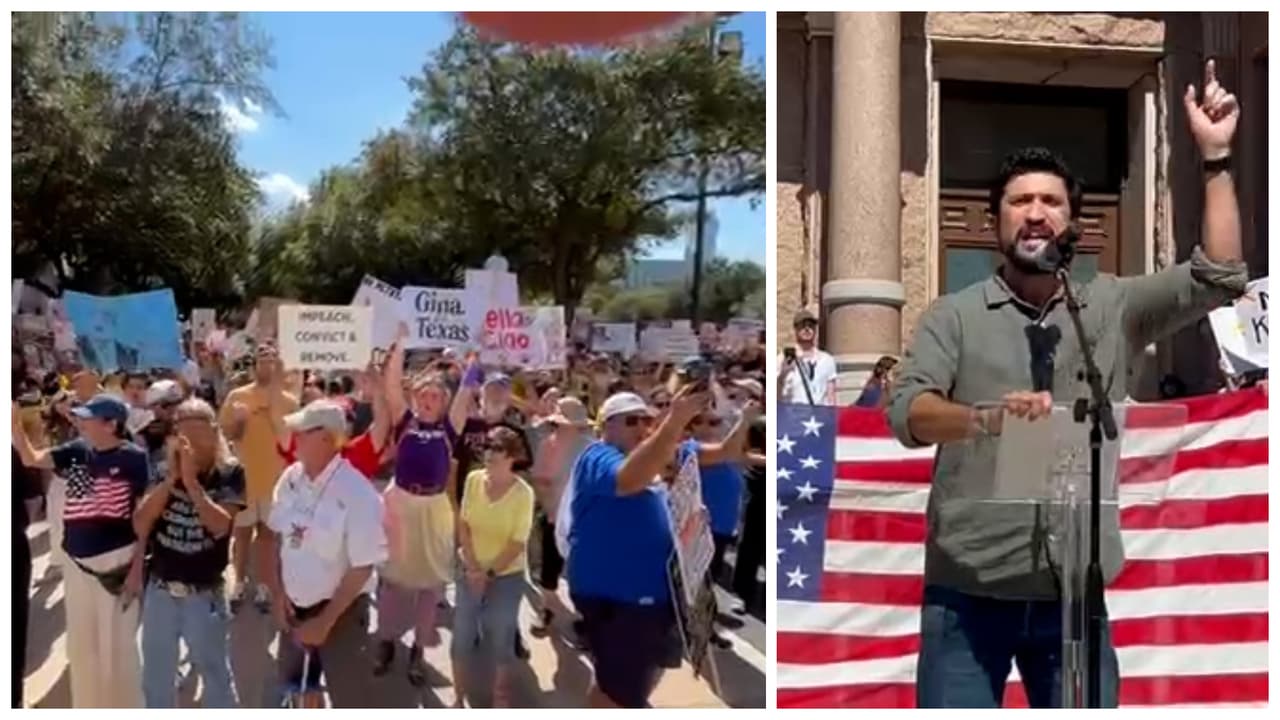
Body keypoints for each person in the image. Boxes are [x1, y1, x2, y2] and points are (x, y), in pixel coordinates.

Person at [886, 62, 1245, 709]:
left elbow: (1218, 275)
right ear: (995, 220)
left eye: (1050, 202)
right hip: (969, 595)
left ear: (1072, 223)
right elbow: (908, 411)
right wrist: (982, 420)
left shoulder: (1110, 306)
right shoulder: (954, 315)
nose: (1034, 214)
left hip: (1076, 596)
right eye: (1019, 201)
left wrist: (1216, 159)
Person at [563, 387, 708, 708]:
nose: (643, 427)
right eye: (633, 420)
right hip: (623, 600)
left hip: (647, 599)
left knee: (620, 683)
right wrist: (673, 423)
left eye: (648, 421)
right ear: (606, 426)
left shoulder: (650, 467)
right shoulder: (597, 455)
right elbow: (626, 480)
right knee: (622, 693)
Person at [13, 394, 149, 708]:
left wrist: (137, 569)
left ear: (111, 425)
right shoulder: (75, 452)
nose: (80, 422)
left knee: (117, 646)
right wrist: (16, 425)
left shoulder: (133, 458)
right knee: (83, 644)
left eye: (88, 417)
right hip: (77, 562)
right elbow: (31, 458)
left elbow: (142, 518)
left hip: (117, 561)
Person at [260, 400, 388, 709]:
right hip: (293, 610)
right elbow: (274, 537)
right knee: (297, 694)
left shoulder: (358, 493)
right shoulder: (291, 477)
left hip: (341, 614)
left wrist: (325, 622)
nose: (295, 438)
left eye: (303, 431)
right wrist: (277, 594)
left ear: (328, 438)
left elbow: (363, 568)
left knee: (349, 699)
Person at [133, 398, 245, 708]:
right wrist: (171, 479)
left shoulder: (230, 472)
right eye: (185, 436)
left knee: (216, 676)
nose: (192, 444)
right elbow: (141, 524)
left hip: (204, 594)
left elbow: (221, 525)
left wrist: (193, 484)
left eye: (199, 435)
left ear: (214, 433)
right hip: (161, 593)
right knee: (156, 679)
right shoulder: (160, 468)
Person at [374, 326, 466, 684]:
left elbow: (468, 389)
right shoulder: (405, 422)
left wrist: (471, 363)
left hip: (433, 509)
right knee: (392, 582)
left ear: (443, 402)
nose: (428, 400)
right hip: (400, 504)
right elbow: (392, 384)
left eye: (435, 397)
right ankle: (386, 641)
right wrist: (399, 343)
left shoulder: (450, 428)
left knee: (429, 587)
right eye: (423, 395)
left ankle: (418, 651)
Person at [452, 426, 535, 708]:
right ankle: (459, 696)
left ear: (512, 456)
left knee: (501, 636)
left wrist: (487, 575)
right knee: (461, 637)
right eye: (487, 447)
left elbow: (517, 543)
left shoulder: (523, 494)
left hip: (506, 576)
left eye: (497, 448)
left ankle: (501, 697)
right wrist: (474, 569)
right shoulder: (474, 480)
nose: (489, 453)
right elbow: (463, 524)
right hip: (469, 569)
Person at [220, 344, 299, 614]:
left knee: (268, 537)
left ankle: (265, 585)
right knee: (241, 535)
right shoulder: (237, 396)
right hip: (244, 481)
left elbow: (293, 442)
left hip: (275, 482)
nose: (267, 365)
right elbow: (227, 433)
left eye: (272, 360)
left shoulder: (290, 401)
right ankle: (239, 582)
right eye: (262, 360)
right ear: (254, 365)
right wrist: (240, 421)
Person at [528, 396, 595, 636]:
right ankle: (547, 609)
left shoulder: (592, 447)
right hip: (554, 517)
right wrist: (550, 510)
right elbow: (539, 480)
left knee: (584, 573)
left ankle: (588, 620)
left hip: (584, 521)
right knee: (549, 568)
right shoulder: (548, 445)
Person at [779, 309, 837, 405]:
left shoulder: (827, 360)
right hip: (794, 416)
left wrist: (832, 417)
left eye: (811, 326)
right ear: (796, 329)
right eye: (803, 326)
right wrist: (783, 374)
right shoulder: (783, 358)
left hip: (820, 416)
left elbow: (831, 395)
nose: (807, 329)